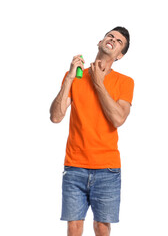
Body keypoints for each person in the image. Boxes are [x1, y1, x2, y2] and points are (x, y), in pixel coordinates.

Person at [49, 26, 134, 236]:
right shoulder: (75, 77)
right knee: (74, 227)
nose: (112, 40)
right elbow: (56, 117)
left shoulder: (125, 82)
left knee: (102, 228)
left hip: (107, 169)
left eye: (119, 41)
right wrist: (69, 78)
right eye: (110, 36)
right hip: (75, 166)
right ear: (100, 42)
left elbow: (117, 118)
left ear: (120, 55)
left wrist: (98, 83)